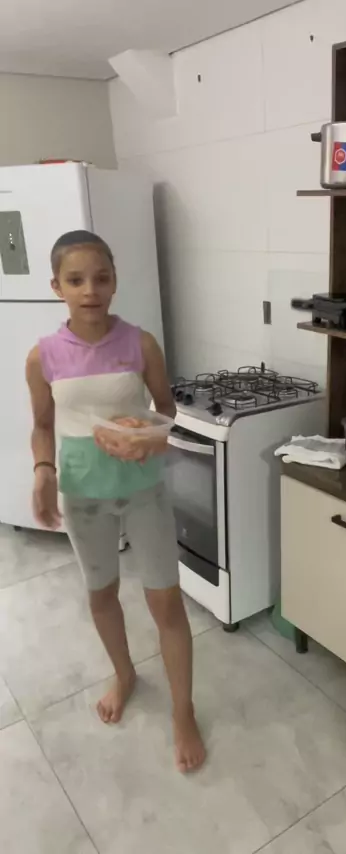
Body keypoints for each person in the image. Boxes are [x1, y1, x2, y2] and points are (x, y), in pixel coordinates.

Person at [26, 230, 206, 773]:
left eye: (101, 278)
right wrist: (43, 471)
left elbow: (167, 411)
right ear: (56, 286)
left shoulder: (140, 343)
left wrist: (150, 435)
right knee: (102, 595)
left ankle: (183, 711)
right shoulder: (42, 356)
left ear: (114, 282)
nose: (90, 290)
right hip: (83, 495)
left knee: (166, 604)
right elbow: (43, 425)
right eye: (76, 280)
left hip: (142, 490)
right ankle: (124, 674)